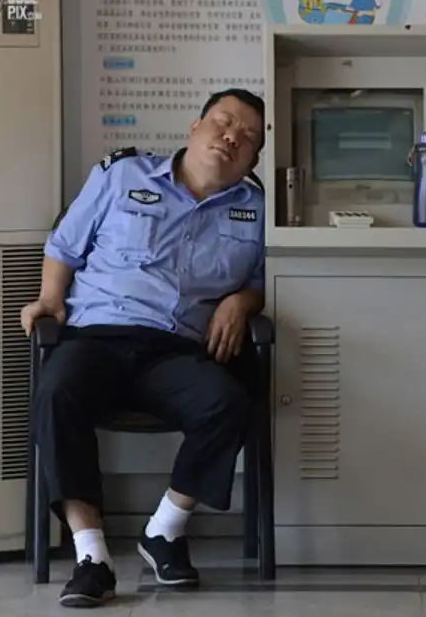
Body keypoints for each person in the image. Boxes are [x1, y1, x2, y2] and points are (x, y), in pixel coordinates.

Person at [20, 88, 267, 608]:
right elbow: (65, 245)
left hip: (175, 351)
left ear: (253, 160)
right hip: (98, 336)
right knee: (57, 391)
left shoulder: (258, 211)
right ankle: (92, 556)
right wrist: (49, 299)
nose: (231, 137)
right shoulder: (121, 175)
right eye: (223, 122)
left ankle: (164, 531)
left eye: (247, 136)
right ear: (194, 127)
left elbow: (267, 281)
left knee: (228, 402)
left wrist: (242, 301)